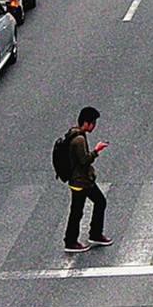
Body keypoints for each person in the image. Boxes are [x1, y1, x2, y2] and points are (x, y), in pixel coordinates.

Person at [58, 106, 114, 252]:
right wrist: (97, 150)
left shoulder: (74, 133)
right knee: (79, 211)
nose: (94, 126)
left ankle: (93, 234)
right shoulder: (79, 139)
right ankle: (72, 241)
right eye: (93, 123)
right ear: (86, 123)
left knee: (96, 203)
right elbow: (84, 161)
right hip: (81, 182)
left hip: (81, 180)